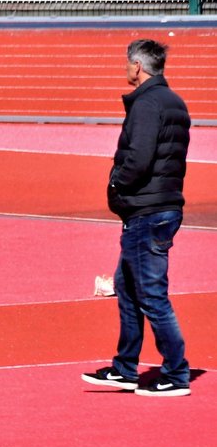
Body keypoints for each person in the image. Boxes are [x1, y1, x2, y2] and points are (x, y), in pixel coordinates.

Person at [82, 39, 192, 397]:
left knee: (150, 294)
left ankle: (176, 373)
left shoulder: (147, 105)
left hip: (147, 210)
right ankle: (125, 367)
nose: (125, 69)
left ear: (137, 67)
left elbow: (140, 157)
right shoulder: (174, 102)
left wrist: (116, 185)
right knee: (128, 289)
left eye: (127, 64)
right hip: (161, 205)